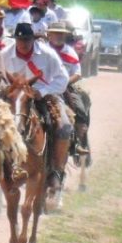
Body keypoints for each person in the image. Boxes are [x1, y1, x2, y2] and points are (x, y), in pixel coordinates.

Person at [1, 23, 72, 192]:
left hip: (45, 96)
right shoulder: (5, 55)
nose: (23, 43)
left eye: (27, 39)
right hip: (14, 98)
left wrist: (44, 90)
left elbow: (63, 78)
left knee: (64, 126)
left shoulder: (47, 54)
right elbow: (0, 78)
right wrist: (9, 91)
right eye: (20, 39)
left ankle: (55, 170)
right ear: (15, 39)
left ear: (33, 39)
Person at [45, 21, 90, 157]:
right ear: (49, 35)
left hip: (66, 88)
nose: (58, 36)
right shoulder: (42, 50)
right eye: (55, 33)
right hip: (43, 87)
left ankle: (76, 141)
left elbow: (77, 73)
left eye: (61, 34)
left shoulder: (70, 52)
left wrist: (64, 83)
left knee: (80, 108)